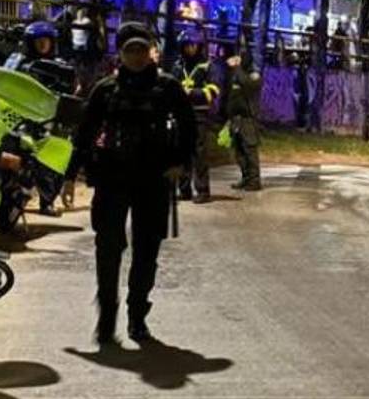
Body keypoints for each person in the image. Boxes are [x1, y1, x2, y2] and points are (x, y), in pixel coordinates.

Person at [66, 22, 196, 344]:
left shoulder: (167, 88)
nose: (136, 56)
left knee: (146, 251)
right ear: (120, 54)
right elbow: (84, 134)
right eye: (130, 50)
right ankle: (107, 316)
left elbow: (189, 128)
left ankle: (137, 316)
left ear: (150, 51)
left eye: (141, 50)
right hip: (112, 177)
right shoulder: (105, 90)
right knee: (107, 248)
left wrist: (180, 164)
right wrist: (69, 176)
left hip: (153, 178)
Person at [174, 32, 218, 203]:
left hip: (199, 114)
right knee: (182, 152)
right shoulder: (178, 66)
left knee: (199, 153)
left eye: (192, 45)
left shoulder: (207, 66)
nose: (190, 48)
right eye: (186, 45)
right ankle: (184, 189)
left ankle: (203, 190)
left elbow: (213, 90)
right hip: (181, 114)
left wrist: (192, 93)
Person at [224, 46, 264, 191]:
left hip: (248, 119)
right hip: (236, 119)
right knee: (239, 151)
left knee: (249, 151)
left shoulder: (254, 75)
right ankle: (246, 178)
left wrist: (237, 67)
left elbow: (246, 84)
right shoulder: (236, 74)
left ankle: (254, 180)